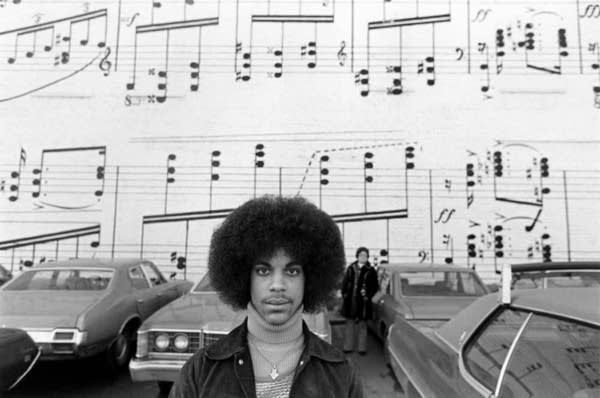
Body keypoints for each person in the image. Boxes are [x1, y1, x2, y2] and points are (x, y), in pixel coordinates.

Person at [170, 195, 363, 398]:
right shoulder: (201, 370)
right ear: (245, 277)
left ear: (309, 279)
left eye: (292, 271)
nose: (278, 285)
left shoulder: (341, 374)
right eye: (263, 271)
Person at [341, 247, 378, 355]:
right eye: (361, 255)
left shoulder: (371, 270)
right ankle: (348, 347)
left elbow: (375, 286)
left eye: (365, 255)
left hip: (364, 303)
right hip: (351, 301)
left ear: (367, 257)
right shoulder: (351, 268)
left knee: (363, 325)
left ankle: (362, 348)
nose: (363, 257)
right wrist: (344, 294)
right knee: (349, 324)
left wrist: (368, 295)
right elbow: (345, 282)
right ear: (357, 256)